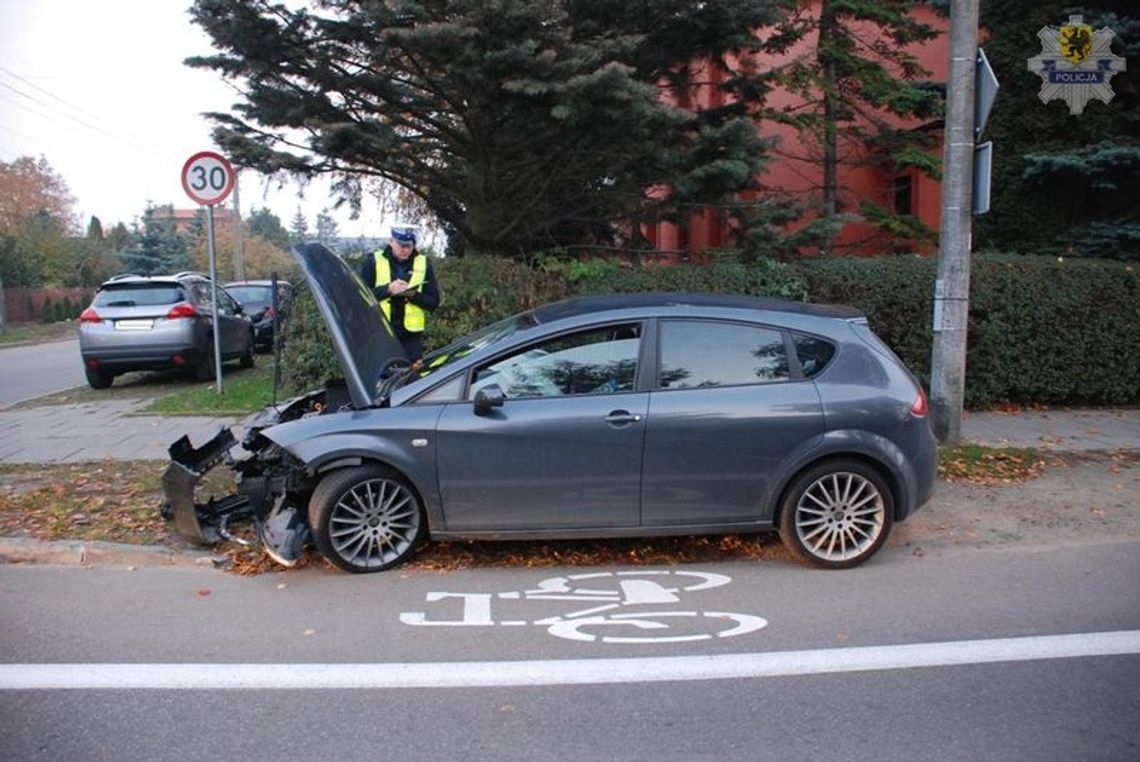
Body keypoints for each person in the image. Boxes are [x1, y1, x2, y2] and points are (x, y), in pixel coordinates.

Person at [360, 224, 441, 362]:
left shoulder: (423, 263)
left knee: (412, 378)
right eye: (401, 245)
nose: (405, 250)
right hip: (380, 333)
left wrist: (412, 294)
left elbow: (433, 302)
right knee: (385, 378)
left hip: (411, 338)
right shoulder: (373, 261)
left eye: (409, 246)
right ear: (391, 241)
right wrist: (387, 290)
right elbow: (359, 297)